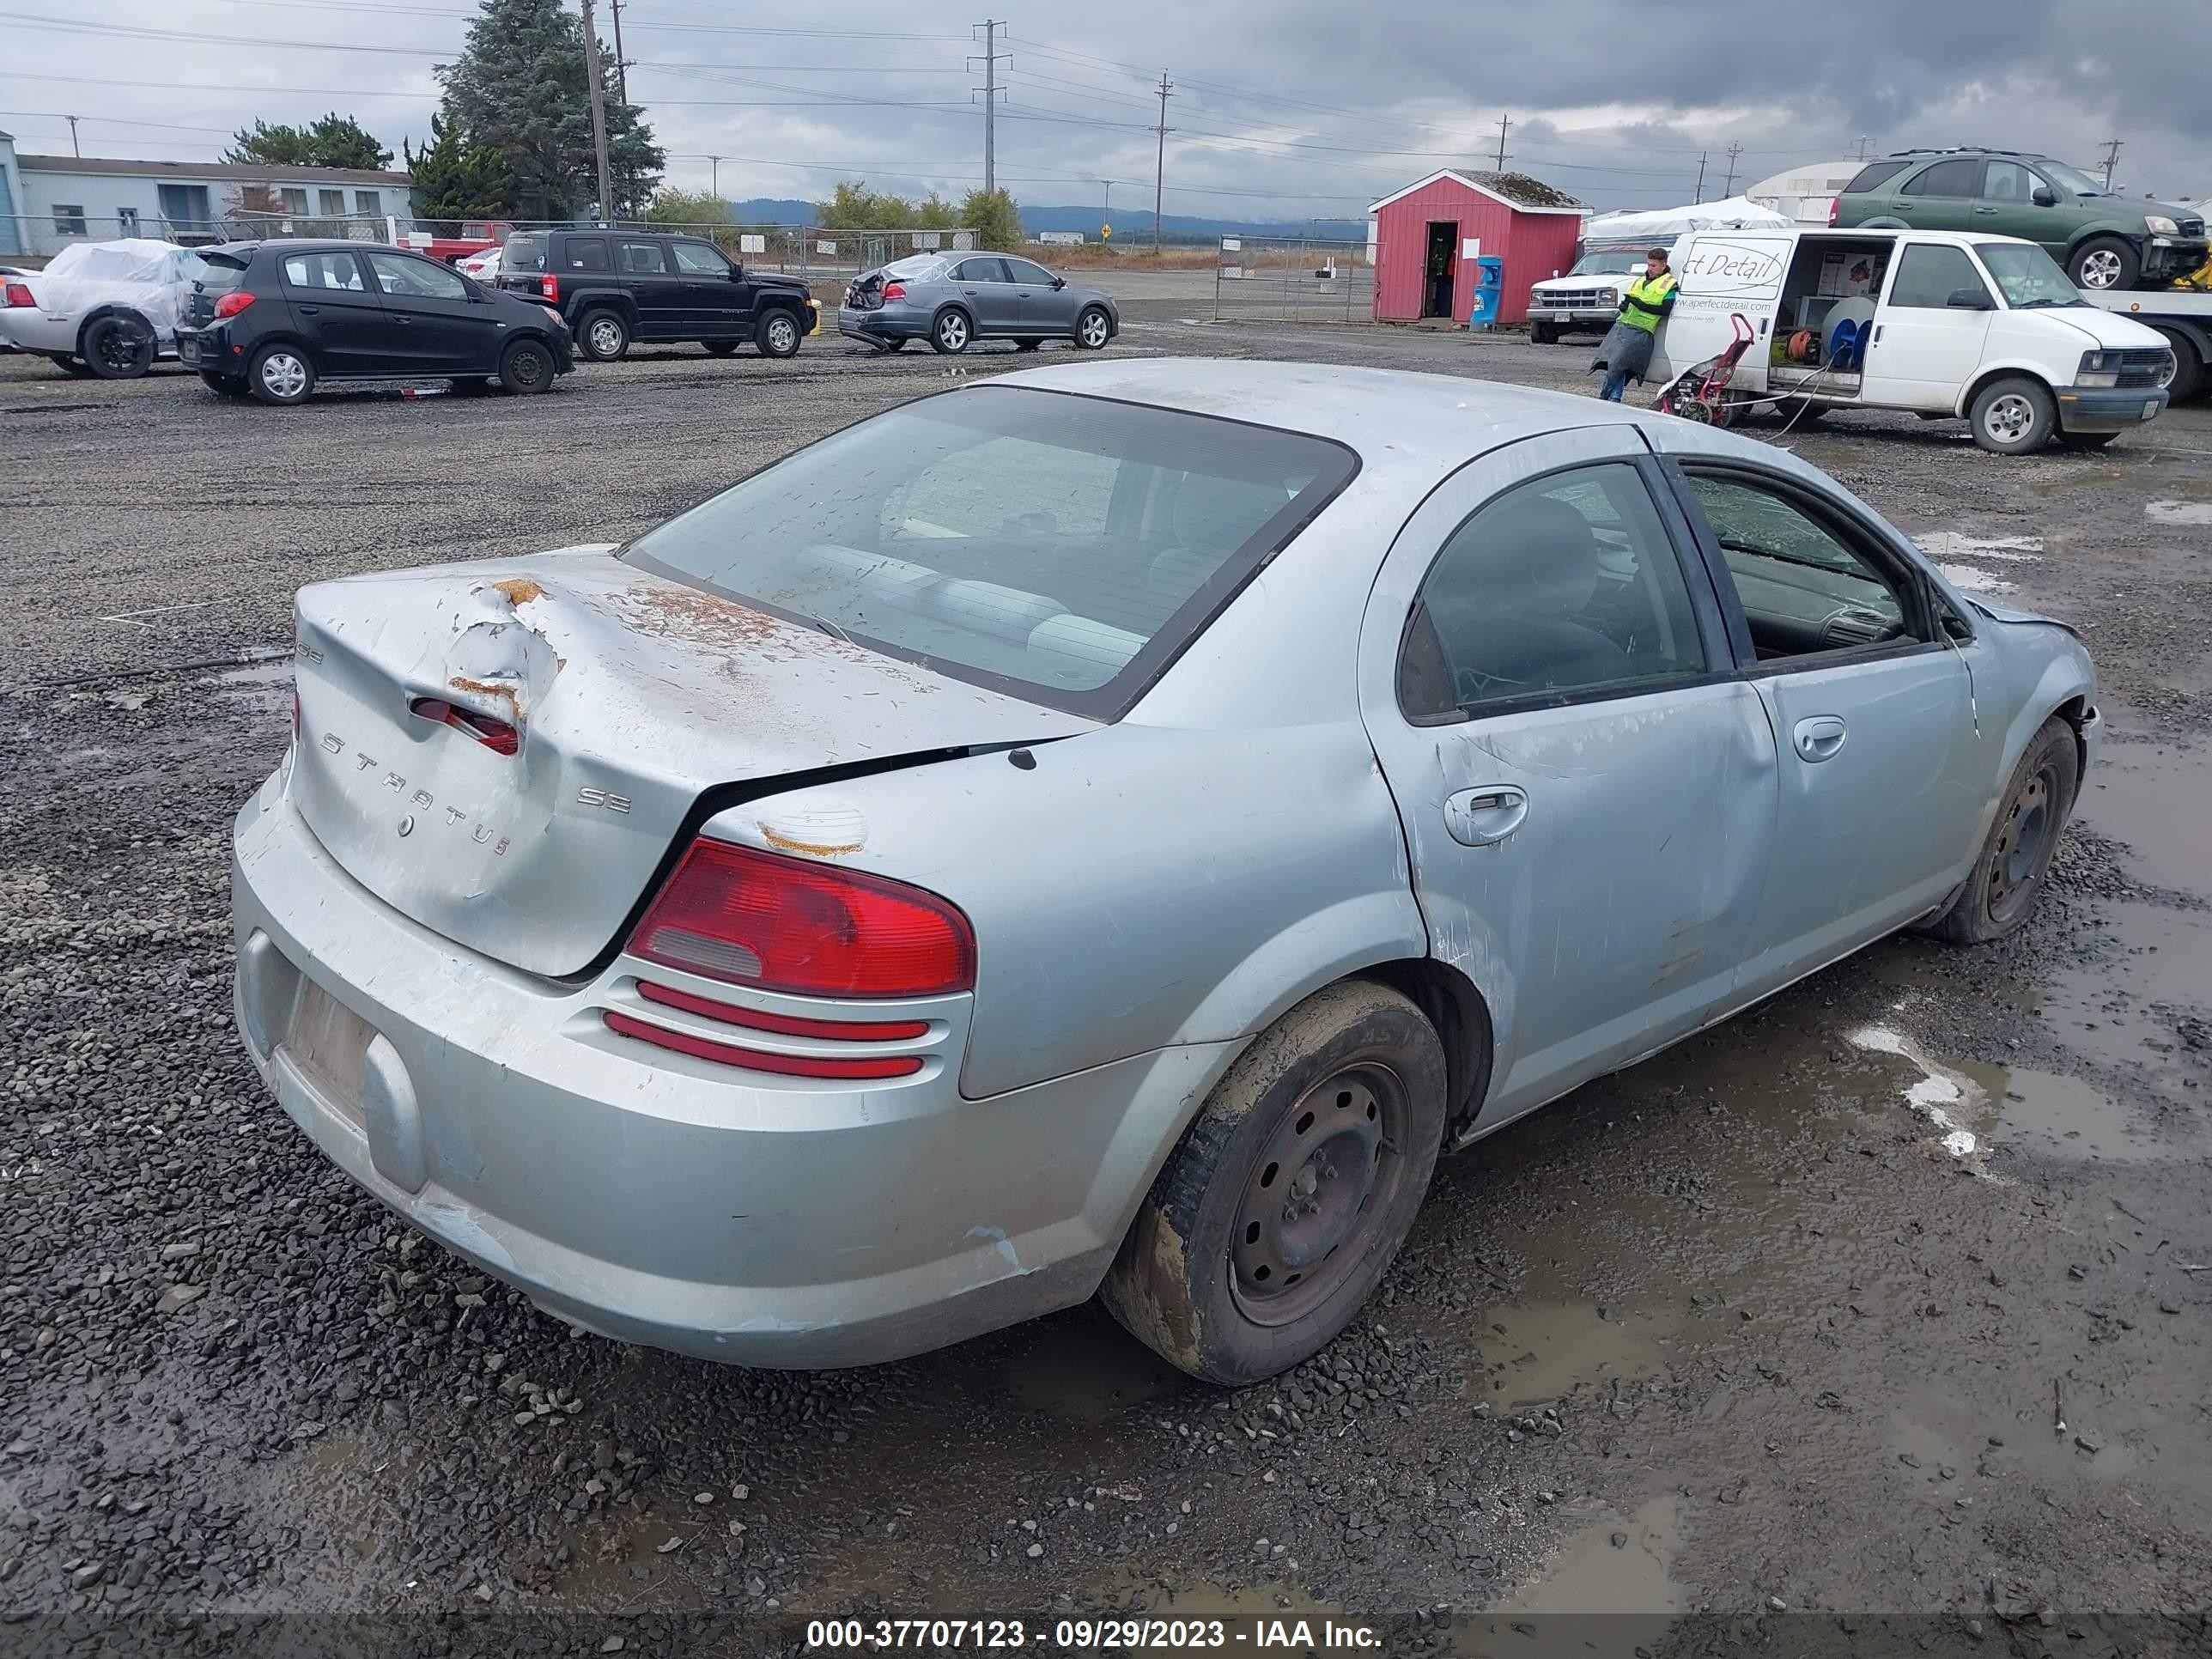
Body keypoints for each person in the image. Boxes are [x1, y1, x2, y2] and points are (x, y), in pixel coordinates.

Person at [1590, 247, 1679, 402]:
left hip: (1641, 330)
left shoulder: (1669, 284)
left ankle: (1606, 397)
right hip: (1622, 325)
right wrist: (1624, 306)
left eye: (1654, 266)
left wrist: (1640, 304)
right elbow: (1628, 300)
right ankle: (1613, 398)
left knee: (1618, 365)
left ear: (1663, 265)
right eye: (1649, 265)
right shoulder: (1639, 280)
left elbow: (1665, 310)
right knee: (1614, 365)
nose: (1650, 269)